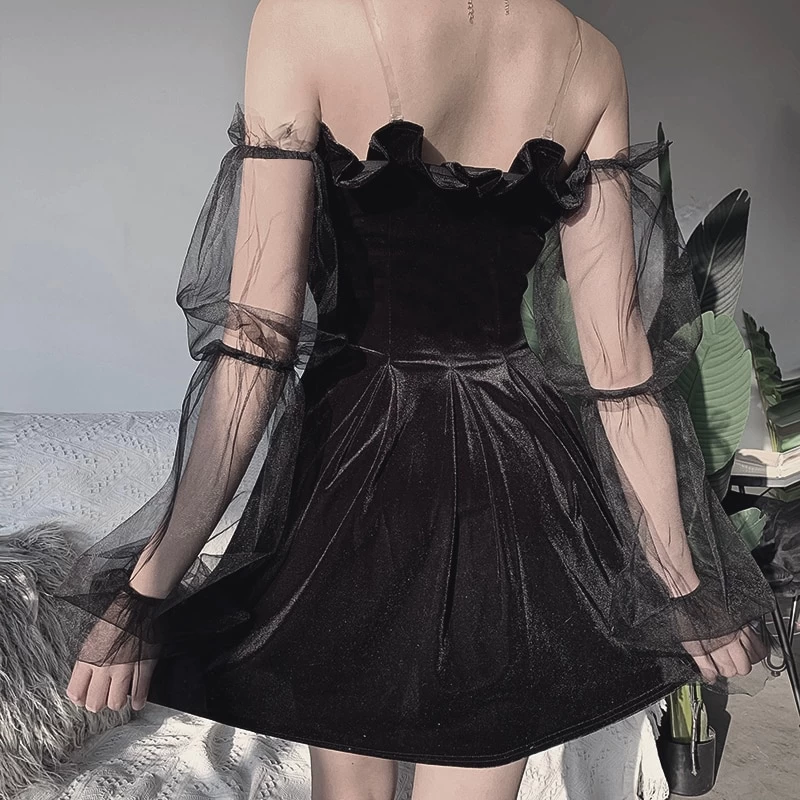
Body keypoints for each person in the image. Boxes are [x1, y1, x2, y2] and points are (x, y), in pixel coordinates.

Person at [55, 1, 777, 798]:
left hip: (355, 460)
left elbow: (257, 345)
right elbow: (618, 366)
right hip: (517, 463)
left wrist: (147, 589)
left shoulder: (300, 20)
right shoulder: (591, 58)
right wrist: (682, 581)